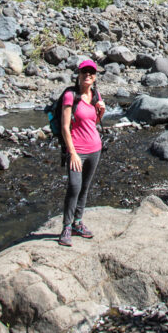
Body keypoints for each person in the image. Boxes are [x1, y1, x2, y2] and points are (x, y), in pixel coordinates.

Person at [58, 59, 105, 246]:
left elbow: (92, 122)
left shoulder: (95, 95)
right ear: (78, 74)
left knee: (85, 187)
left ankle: (78, 222)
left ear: (95, 76)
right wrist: (73, 152)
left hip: (95, 149)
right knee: (74, 187)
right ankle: (66, 227)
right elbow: (64, 126)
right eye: (84, 72)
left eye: (91, 72)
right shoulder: (71, 95)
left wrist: (102, 111)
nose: (88, 75)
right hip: (77, 150)